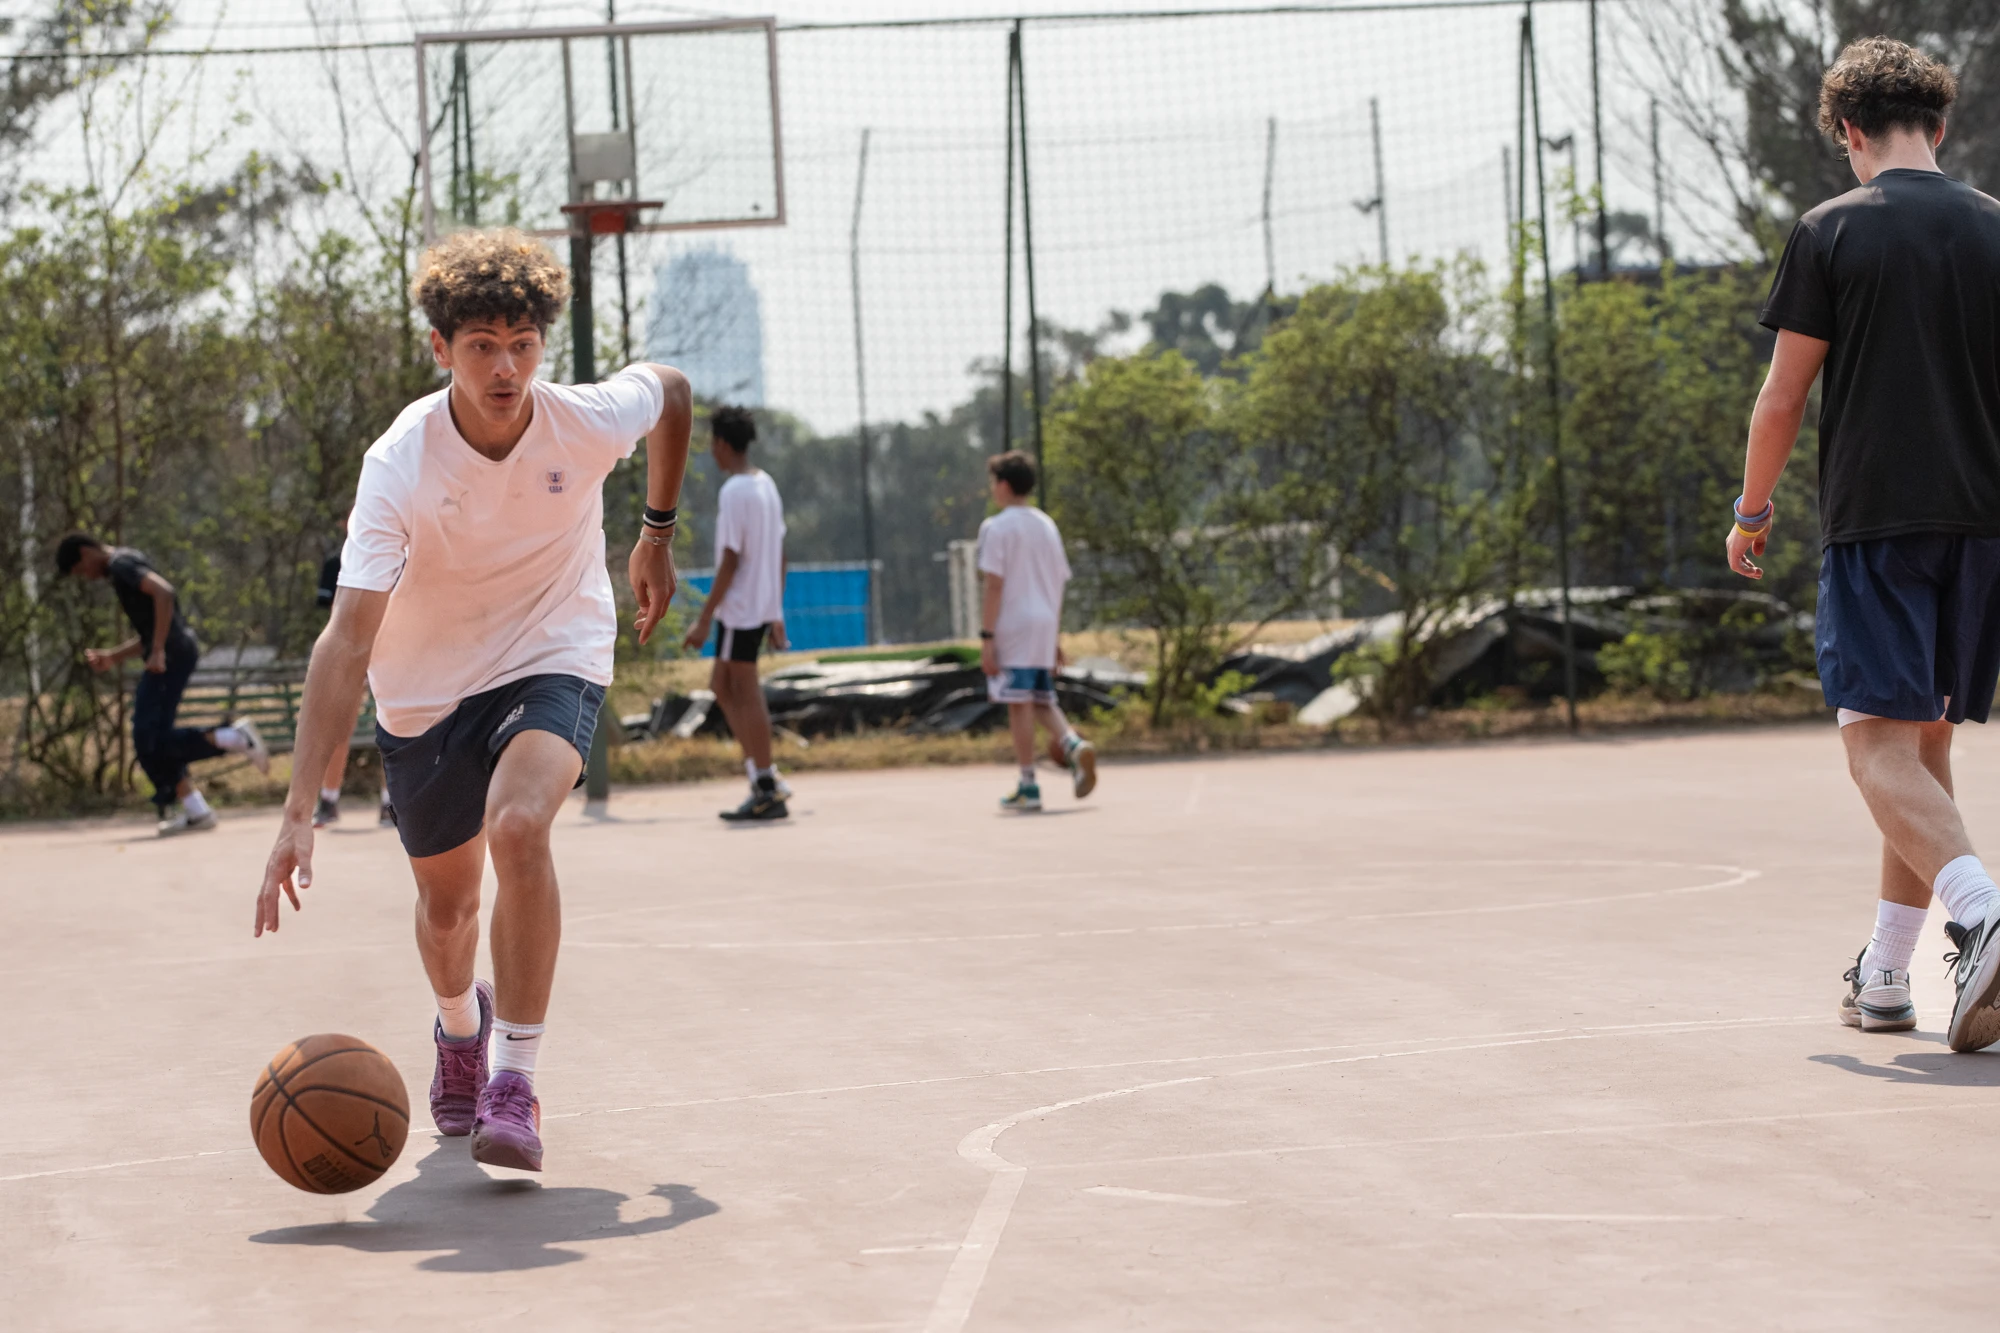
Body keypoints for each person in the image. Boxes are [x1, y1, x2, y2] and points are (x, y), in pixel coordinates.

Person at [253, 227, 693, 1173]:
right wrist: (298, 810)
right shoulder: (400, 463)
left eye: (523, 344)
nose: (506, 368)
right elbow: (347, 639)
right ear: (441, 347)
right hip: (425, 692)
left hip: (552, 650)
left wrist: (655, 533)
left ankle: (514, 1080)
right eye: (483, 345)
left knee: (520, 826)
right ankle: (461, 1026)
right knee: (447, 911)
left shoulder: (581, 420)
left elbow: (671, 390)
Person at [1732, 37, 2000, 1052]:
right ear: (1939, 125)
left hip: (1879, 524)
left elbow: (1781, 397)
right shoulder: (1993, 227)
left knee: (1873, 749)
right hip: (1981, 529)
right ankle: (1886, 974)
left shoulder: (1830, 230)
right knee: (1922, 749)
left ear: (1848, 131)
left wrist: (1751, 511)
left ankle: (1980, 914)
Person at [56, 534, 270, 835]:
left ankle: (233, 738)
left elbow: (164, 593)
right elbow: (153, 628)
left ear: (86, 552)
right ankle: (197, 810)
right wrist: (115, 656)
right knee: (153, 739)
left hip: (171, 655)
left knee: (147, 735)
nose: (87, 577)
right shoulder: (127, 560)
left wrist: (158, 650)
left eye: (82, 570)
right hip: (173, 652)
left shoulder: (120, 565)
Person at [681, 405, 791, 822]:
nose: (712, 452)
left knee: (743, 690)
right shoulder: (766, 484)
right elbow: (781, 553)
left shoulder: (734, 491)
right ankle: (764, 777)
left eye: (712, 443)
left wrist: (704, 618)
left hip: (740, 609)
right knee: (724, 686)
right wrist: (775, 610)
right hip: (757, 606)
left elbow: (730, 559)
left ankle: (765, 783)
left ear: (724, 444)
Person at [976, 450, 1095, 812]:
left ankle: (1028, 784)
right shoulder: (1047, 525)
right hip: (1044, 621)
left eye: (994, 482)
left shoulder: (996, 527)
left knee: (1019, 703)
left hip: (1014, 623)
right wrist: (1054, 635)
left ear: (1004, 485)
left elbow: (994, 584)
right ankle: (1073, 745)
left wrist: (987, 637)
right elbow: (1057, 582)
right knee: (1041, 698)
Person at [311, 528, 395, 830]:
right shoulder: (337, 562)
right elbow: (335, 618)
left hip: (391, 649)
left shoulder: (396, 557)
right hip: (351, 650)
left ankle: (391, 802)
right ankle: (328, 800)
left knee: (392, 725)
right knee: (338, 727)